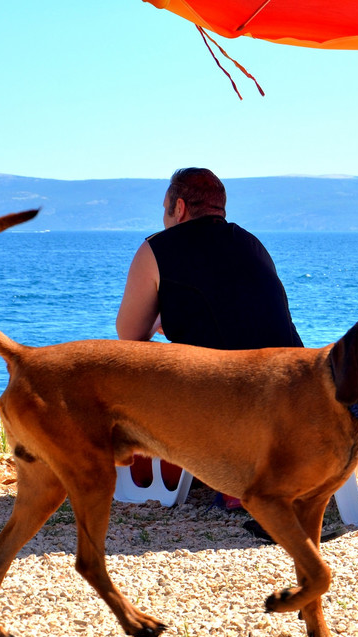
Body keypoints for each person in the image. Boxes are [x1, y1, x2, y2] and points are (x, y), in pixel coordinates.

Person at [116, 167, 303, 513]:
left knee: (131, 359)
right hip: (296, 396)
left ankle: (214, 469)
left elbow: (129, 336)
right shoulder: (252, 243)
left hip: (234, 405)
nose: (164, 217)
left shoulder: (158, 248)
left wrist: (161, 322)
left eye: (165, 208)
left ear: (180, 207)